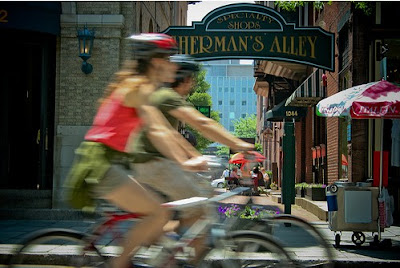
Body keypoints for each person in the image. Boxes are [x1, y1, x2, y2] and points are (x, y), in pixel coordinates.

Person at [64, 34, 206, 268]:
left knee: (158, 213)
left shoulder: (141, 87)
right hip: (100, 164)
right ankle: (118, 264)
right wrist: (184, 162)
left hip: (111, 162)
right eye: (169, 58)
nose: (174, 65)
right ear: (155, 62)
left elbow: (163, 129)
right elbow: (156, 131)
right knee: (158, 214)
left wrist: (187, 158)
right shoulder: (137, 87)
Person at [131, 54, 254, 264]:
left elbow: (175, 138)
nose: (193, 83)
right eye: (192, 79)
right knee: (200, 208)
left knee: (200, 202)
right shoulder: (168, 97)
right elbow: (202, 123)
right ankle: (173, 255)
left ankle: (165, 248)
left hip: (153, 163)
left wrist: (197, 157)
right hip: (153, 164)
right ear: (186, 79)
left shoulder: (165, 96)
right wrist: (239, 144)